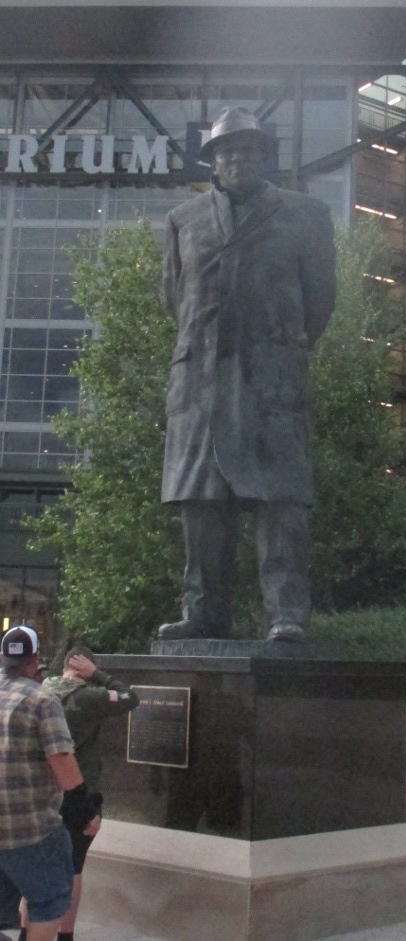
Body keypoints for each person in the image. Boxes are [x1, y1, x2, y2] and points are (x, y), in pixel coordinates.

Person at [159, 106, 336, 644]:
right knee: (202, 506)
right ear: (213, 163)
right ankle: (205, 613)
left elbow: (320, 298)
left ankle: (286, 615)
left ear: (268, 158)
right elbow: (174, 297)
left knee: (280, 504)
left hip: (270, 379)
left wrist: (278, 344)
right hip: (201, 382)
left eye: (250, 149)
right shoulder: (183, 221)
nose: (239, 158)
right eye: (227, 151)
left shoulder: (306, 215)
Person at [0, 626, 97, 941]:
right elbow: (62, 761)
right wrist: (86, 812)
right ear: (37, 658)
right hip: (31, 831)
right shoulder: (42, 699)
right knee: (50, 899)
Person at [39, 647, 139, 941]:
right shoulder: (91, 697)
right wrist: (99, 676)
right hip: (80, 792)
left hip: (43, 789)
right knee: (73, 865)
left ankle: (26, 930)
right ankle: (65, 935)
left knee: (41, 865)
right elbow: (130, 698)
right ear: (85, 668)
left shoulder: (42, 692)